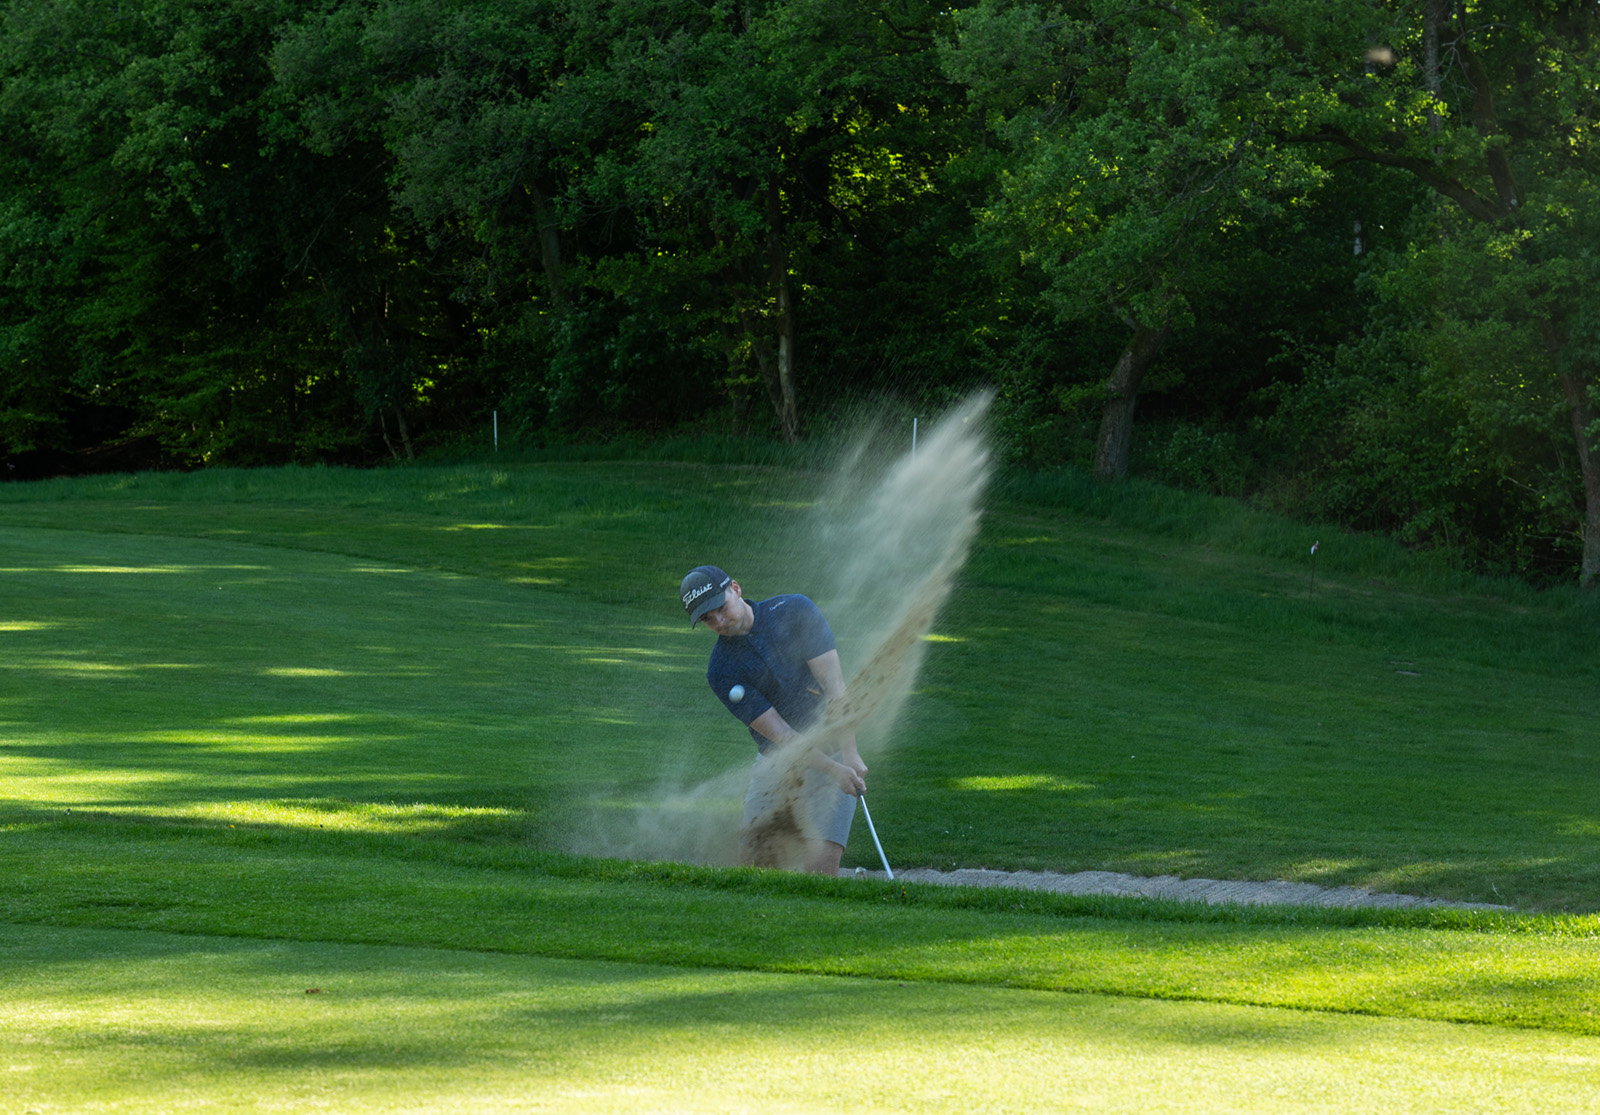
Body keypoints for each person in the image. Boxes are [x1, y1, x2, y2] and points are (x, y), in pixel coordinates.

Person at [679, 564, 867, 875]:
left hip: (833, 749)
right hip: (777, 762)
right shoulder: (721, 671)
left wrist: (849, 754)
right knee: (756, 871)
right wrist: (835, 769)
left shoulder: (794, 611)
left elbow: (835, 689)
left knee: (821, 872)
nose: (719, 621)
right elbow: (783, 735)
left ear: (735, 589)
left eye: (719, 607)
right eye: (707, 619)